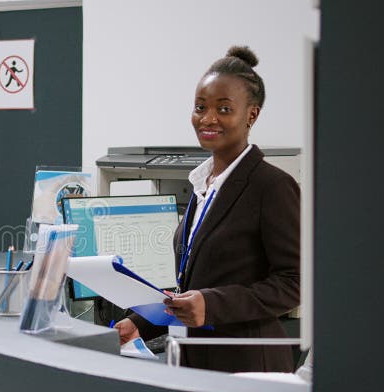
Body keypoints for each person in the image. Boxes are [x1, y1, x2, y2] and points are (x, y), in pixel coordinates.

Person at [115, 46, 300, 373]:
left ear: (251, 115)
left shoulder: (272, 186)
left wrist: (212, 305)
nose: (208, 118)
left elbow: (293, 283)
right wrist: (142, 324)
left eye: (224, 108)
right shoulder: (204, 185)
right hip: (198, 361)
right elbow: (193, 284)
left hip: (248, 366)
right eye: (200, 107)